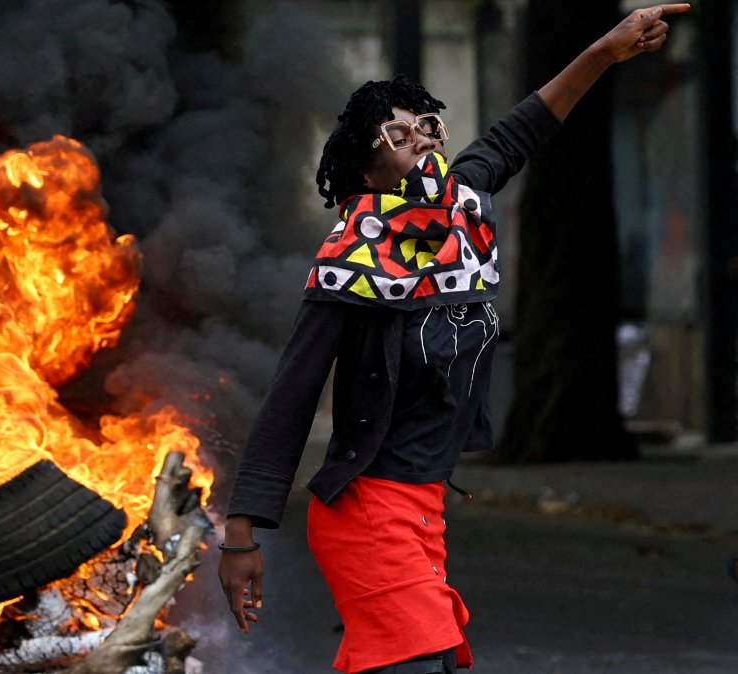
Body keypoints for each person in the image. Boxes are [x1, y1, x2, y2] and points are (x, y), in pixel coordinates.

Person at [216, 5, 691, 674]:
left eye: (428, 128)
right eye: (401, 134)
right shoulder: (349, 262)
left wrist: (606, 51)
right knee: (422, 663)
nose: (425, 142)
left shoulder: (462, 209)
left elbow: (523, 127)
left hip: (425, 510)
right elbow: (290, 399)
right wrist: (241, 534)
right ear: (366, 167)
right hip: (365, 513)